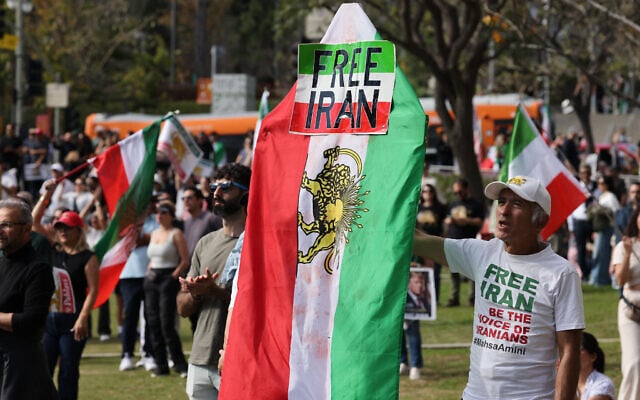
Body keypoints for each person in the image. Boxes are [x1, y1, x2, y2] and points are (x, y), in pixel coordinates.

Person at [413, 175, 584, 399]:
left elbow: (569, 351)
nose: (504, 211)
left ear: (540, 220)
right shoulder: (483, 253)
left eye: (517, 204)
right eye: (502, 202)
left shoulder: (561, 273)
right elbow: (417, 241)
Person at [177, 163, 250, 400]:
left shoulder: (256, 242)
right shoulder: (205, 243)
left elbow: (256, 304)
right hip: (200, 357)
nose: (216, 193)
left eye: (226, 187)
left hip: (238, 357)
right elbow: (182, 309)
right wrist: (196, 292)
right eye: (213, 187)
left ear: (246, 194)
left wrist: (214, 291)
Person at [0, 199, 59, 399]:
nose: (0, 230)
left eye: (6, 225)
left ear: (26, 229)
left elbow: (32, 321)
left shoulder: (38, 268)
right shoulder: (1, 263)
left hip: (20, 365)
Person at [42, 210, 99, 400]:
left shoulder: (88, 257)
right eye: (59, 227)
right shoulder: (53, 252)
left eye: (67, 227)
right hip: (49, 321)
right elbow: (35, 222)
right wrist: (46, 197)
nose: (63, 231)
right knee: (43, 370)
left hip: (73, 322)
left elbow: (93, 290)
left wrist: (82, 318)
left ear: (78, 230)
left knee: (68, 370)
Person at [144, 200, 189, 377]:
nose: (159, 215)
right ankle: (161, 364)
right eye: (158, 212)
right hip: (152, 278)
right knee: (152, 321)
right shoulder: (154, 233)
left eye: (163, 212)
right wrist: (149, 272)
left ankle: (180, 364)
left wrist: (173, 277)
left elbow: (184, 260)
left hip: (168, 277)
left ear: (171, 215)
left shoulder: (176, 233)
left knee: (166, 323)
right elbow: (152, 257)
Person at [118, 202, 158, 372]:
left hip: (150, 274)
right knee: (130, 316)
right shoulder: (124, 222)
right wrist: (142, 237)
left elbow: (156, 239)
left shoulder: (156, 220)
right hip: (128, 275)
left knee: (150, 316)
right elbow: (129, 241)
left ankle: (148, 354)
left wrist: (143, 238)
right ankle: (127, 354)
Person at [611, 208, 640, 399]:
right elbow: (621, 280)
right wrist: (628, 253)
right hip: (631, 308)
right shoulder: (624, 246)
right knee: (634, 363)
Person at [444, 178, 485, 306]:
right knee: (453, 271)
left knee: (471, 271)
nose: (458, 194)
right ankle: (454, 297)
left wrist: (466, 221)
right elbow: (447, 219)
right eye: (455, 192)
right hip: (453, 240)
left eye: (460, 192)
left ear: (466, 189)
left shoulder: (475, 204)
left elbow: (479, 221)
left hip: (470, 242)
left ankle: (472, 299)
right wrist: (449, 221)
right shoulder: (453, 204)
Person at [415, 182, 447, 303]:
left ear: (433, 193)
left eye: (429, 191)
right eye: (424, 191)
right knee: (420, 273)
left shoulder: (440, 208)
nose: (427, 194)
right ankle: (423, 299)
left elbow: (445, 226)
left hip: (435, 243)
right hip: (421, 244)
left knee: (436, 273)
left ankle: (435, 299)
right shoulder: (418, 208)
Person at [590, 175, 620, 286]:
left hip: (607, 229)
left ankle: (600, 280)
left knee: (602, 254)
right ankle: (595, 278)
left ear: (607, 185)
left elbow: (616, 213)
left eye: (601, 183)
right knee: (597, 254)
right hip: (600, 229)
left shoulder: (611, 197)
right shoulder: (602, 196)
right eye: (598, 183)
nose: (599, 186)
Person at [569, 165, 596, 281]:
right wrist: (571, 226)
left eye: (587, 172)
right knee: (581, 249)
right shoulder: (576, 187)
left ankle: (593, 271)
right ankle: (583, 273)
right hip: (578, 221)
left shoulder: (595, 187)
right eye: (583, 173)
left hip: (592, 222)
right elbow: (570, 207)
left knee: (595, 248)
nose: (586, 175)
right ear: (580, 174)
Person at [400, 269, 427, 380]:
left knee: (413, 333)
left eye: (421, 282)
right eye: (416, 283)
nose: (419, 285)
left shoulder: (422, 297)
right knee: (398, 334)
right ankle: (402, 362)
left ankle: (415, 365)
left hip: (412, 313)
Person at [576, 331, 616, 400]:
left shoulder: (603, 384)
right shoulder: (563, 381)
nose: (574, 354)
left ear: (593, 357)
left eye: (580, 349)